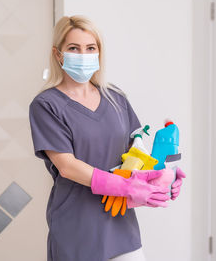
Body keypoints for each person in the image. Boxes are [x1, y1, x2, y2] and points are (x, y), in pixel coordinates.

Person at [28, 15, 186, 261]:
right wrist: (124, 186)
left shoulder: (115, 97)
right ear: (59, 55)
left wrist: (163, 176)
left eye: (90, 48)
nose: (83, 54)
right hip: (77, 228)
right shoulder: (46, 105)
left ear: (98, 52)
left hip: (121, 225)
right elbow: (67, 167)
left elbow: (136, 155)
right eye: (73, 48)